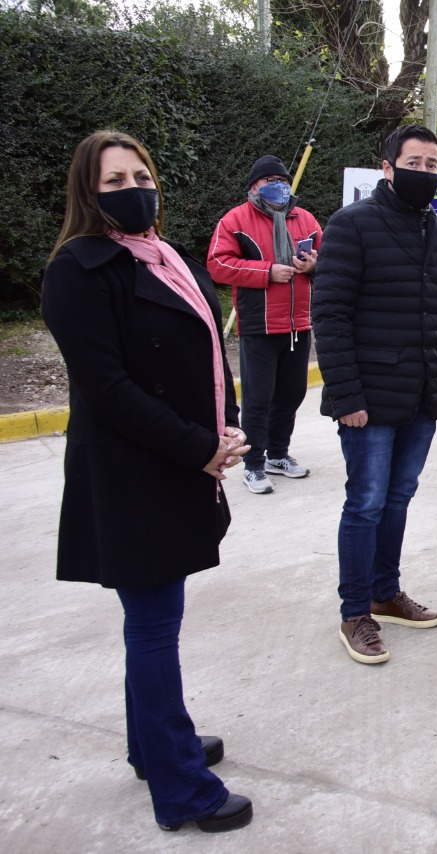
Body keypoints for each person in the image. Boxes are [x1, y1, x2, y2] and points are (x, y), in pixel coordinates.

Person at [41, 130, 253, 833]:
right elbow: (107, 389)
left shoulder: (164, 255)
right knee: (155, 626)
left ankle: (152, 746)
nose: (134, 189)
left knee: (155, 620)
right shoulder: (77, 270)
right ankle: (182, 790)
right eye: (114, 181)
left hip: (181, 460)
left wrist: (227, 425)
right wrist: (199, 448)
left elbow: (206, 350)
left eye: (141, 176)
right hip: (133, 472)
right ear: (88, 192)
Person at [312, 125, 437, 665]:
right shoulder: (351, 224)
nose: (424, 172)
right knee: (366, 503)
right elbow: (329, 316)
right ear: (388, 167)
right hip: (368, 400)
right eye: (414, 162)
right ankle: (355, 612)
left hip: (420, 395)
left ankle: (385, 592)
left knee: (398, 498)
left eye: (432, 164)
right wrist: (347, 396)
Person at [207, 155, 322, 494]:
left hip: (298, 324)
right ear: (254, 186)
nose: (279, 186)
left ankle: (278, 455)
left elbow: (329, 258)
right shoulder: (235, 220)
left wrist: (313, 266)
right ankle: (254, 464)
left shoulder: (305, 219)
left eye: (283, 180)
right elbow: (217, 264)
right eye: (270, 180)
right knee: (258, 399)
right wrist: (266, 272)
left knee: (291, 395)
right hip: (259, 325)